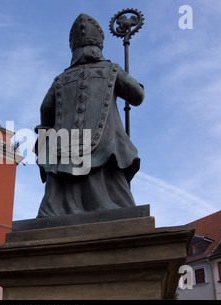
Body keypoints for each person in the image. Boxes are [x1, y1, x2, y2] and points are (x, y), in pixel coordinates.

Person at [35, 13, 145, 217]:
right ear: (98, 46)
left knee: (61, 176)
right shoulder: (111, 69)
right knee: (109, 172)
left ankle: (57, 210)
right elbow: (137, 96)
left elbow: (45, 109)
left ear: (74, 48)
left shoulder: (61, 79)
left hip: (63, 149)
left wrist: (45, 142)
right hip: (104, 143)